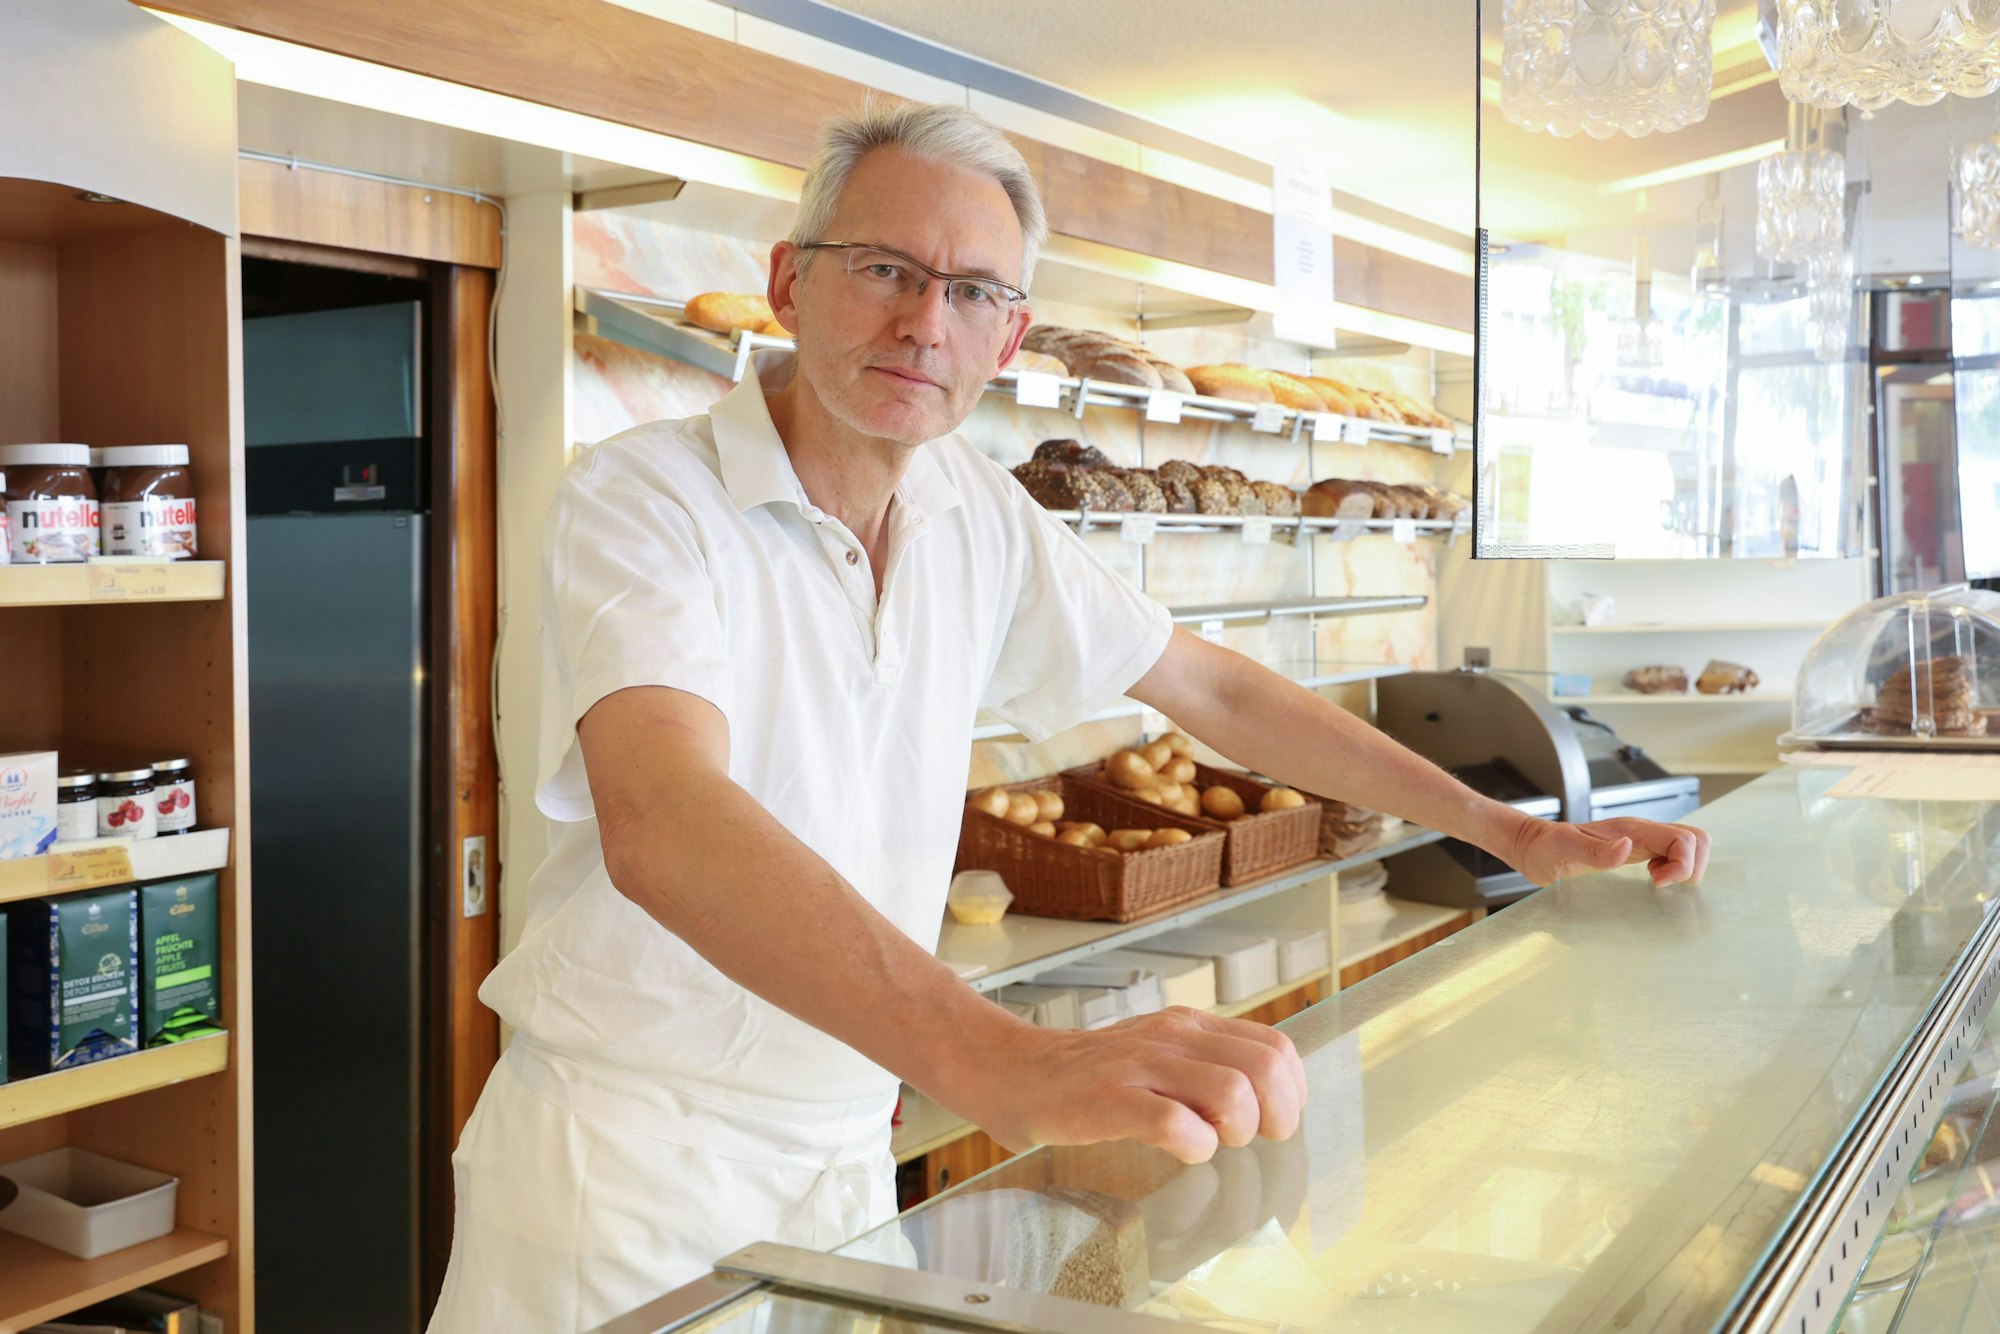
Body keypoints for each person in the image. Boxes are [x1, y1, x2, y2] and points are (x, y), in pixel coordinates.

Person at [426, 101, 1711, 1332]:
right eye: (881, 267)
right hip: (628, 1173)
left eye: (971, 291)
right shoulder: (645, 498)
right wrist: (995, 1056)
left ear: (1009, 337)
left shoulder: (972, 511)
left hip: (840, 1158)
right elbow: (664, 815)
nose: (924, 320)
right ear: (788, 282)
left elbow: (1204, 684)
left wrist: (1504, 827)